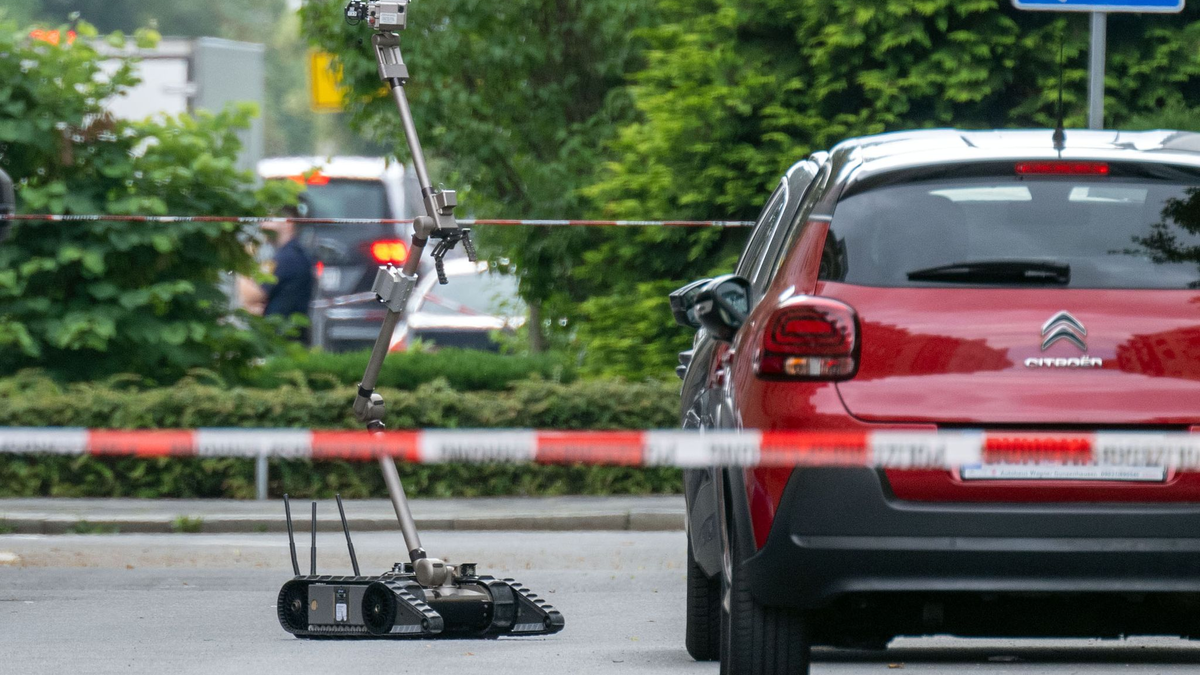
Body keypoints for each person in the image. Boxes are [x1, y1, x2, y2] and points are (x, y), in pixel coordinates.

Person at [240, 207, 314, 342]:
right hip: (285, 336)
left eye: (269, 220)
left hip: (284, 339)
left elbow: (252, 295)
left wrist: (241, 265)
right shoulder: (289, 254)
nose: (263, 225)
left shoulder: (288, 257)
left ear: (288, 223)